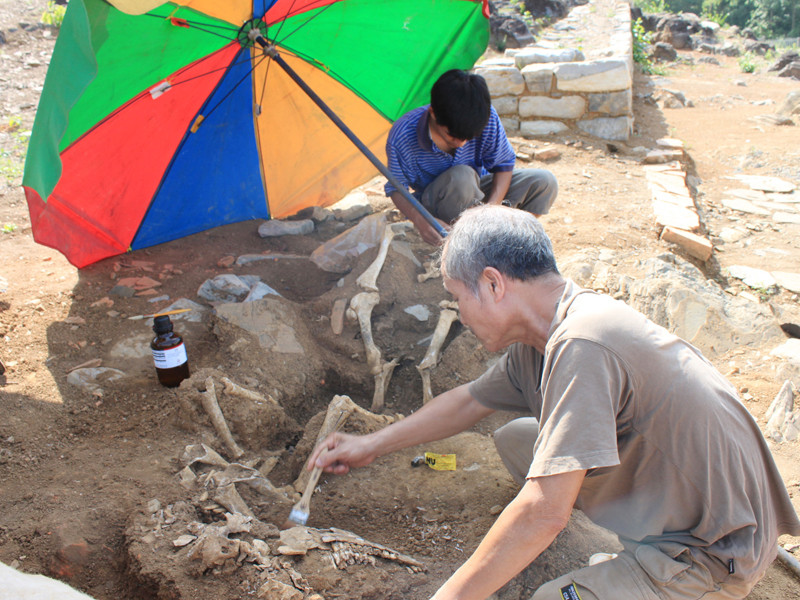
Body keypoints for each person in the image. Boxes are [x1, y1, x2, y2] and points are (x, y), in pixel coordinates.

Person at [309, 205, 800, 600]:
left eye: (458, 295)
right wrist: (372, 443)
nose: (458, 312)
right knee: (519, 439)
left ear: (494, 284)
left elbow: (545, 512)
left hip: (712, 551)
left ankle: (654, 575)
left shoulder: (583, 344)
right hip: (691, 503)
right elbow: (469, 401)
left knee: (551, 596)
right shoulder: (546, 335)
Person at [385, 69, 558, 246]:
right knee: (462, 177)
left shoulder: (486, 117)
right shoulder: (403, 134)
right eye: (452, 135)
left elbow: (504, 165)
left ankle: (508, 240)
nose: (461, 143)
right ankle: (463, 245)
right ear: (433, 114)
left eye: (468, 137)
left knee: (544, 182)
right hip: (436, 204)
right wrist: (420, 220)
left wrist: (489, 209)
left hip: (477, 195)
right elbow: (396, 188)